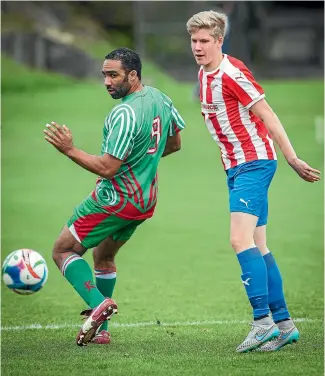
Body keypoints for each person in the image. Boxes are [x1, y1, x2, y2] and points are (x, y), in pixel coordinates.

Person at [186, 11, 321, 353]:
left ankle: (262, 323)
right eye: (194, 41)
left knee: (238, 239)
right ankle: (285, 325)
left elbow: (268, 114)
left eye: (204, 41)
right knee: (259, 245)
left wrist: (292, 157)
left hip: (254, 164)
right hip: (235, 168)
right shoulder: (203, 74)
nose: (198, 47)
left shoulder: (232, 73)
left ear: (219, 41)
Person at [43, 47, 185, 346]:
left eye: (113, 75)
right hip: (145, 201)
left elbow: (108, 168)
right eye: (104, 75)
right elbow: (173, 144)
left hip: (115, 199)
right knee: (103, 256)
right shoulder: (160, 97)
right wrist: (141, 165)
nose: (107, 82)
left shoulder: (123, 113)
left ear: (133, 75)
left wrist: (69, 149)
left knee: (63, 250)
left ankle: (98, 303)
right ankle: (102, 330)